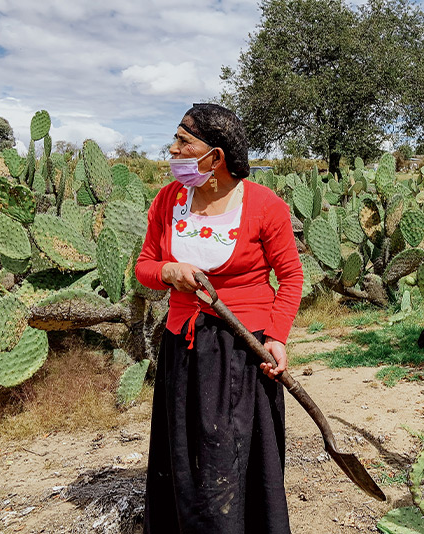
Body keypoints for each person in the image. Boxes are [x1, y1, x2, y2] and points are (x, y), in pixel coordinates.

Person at [135, 103, 303, 533]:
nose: (172, 149)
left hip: (243, 350)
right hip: (183, 346)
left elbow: (290, 276)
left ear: (216, 156)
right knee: (186, 453)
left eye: (183, 140)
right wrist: (170, 272)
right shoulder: (168, 200)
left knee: (233, 452)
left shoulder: (265, 206)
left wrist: (278, 338)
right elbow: (145, 266)